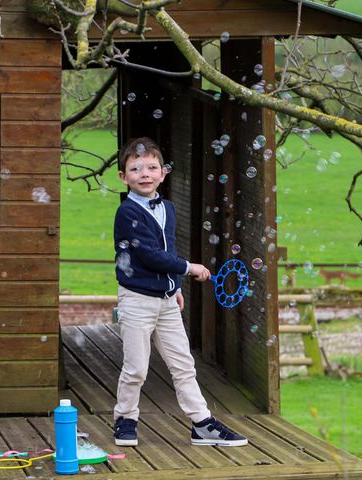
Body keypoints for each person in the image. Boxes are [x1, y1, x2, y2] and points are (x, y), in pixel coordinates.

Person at [112, 137, 247, 447]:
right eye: (135, 168)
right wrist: (189, 268)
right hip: (136, 301)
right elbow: (148, 254)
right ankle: (125, 419)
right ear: (123, 177)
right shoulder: (127, 213)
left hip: (167, 300)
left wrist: (175, 287)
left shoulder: (168, 208)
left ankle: (202, 423)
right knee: (136, 367)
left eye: (151, 167)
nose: (144, 174)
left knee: (184, 365)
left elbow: (168, 248)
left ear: (163, 173)